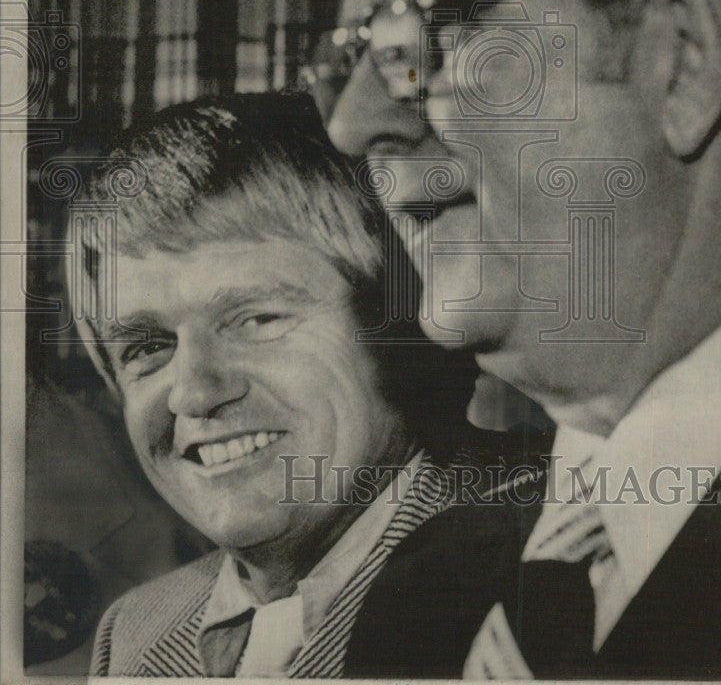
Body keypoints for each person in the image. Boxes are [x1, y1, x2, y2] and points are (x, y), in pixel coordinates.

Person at [323, 0, 721, 679]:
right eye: (349, 57)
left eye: (414, 37)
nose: (352, 125)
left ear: (681, 60)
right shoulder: (421, 605)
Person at [72, 92, 534, 677]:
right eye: (146, 348)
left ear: (400, 318)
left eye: (257, 320)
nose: (193, 393)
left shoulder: (544, 566)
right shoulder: (136, 633)